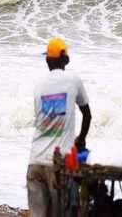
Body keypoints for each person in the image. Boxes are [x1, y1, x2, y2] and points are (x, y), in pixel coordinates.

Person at [27, 38, 92, 217]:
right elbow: (87, 114)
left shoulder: (38, 86)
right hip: (58, 164)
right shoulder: (73, 80)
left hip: (35, 161)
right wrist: (81, 139)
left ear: (47, 60)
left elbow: (42, 120)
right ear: (66, 59)